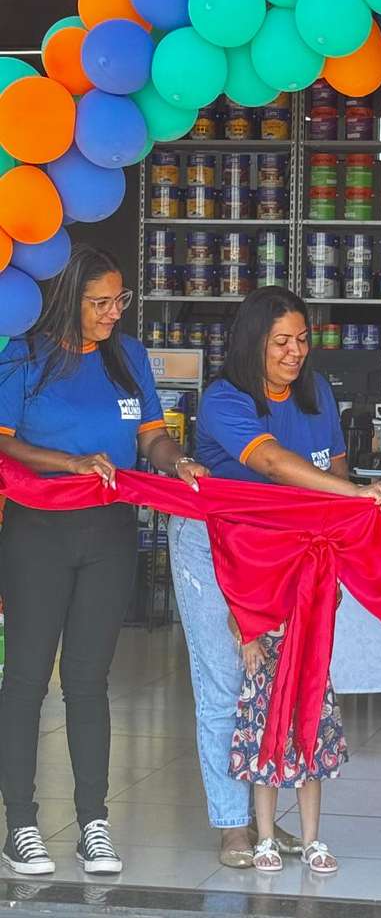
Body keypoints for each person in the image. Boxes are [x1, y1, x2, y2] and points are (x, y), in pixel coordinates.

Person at [168, 286, 381, 875]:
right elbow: (271, 462)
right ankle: (233, 823)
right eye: (281, 342)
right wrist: (352, 493)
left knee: (284, 683)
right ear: (253, 343)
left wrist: (347, 519)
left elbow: (335, 468)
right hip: (214, 547)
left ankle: (268, 821)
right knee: (226, 684)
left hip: (289, 551)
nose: (295, 352)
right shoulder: (225, 398)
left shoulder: (315, 390)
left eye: (302, 339)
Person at [0, 244, 206, 877]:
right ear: (67, 299)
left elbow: (151, 436)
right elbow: (3, 443)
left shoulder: (128, 356)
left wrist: (178, 462)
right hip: (37, 531)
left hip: (111, 533)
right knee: (27, 678)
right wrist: (71, 463)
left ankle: (93, 821)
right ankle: (21, 824)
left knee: (89, 681)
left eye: (120, 300)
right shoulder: (23, 355)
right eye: (100, 302)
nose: (114, 312)